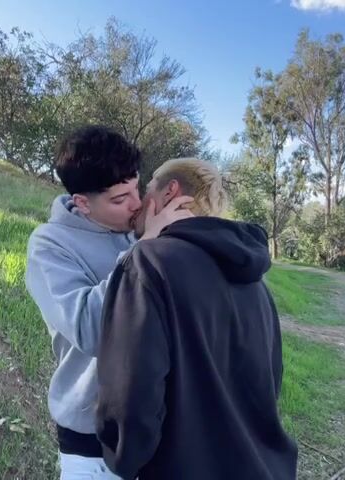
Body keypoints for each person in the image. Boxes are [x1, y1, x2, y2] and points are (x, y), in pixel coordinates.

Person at [96, 157, 299, 480]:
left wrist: (125, 458)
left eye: (148, 188)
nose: (139, 203)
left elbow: (132, 394)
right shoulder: (258, 284)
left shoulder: (149, 262)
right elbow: (269, 383)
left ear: (170, 191)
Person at [24, 125, 191, 479]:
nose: (137, 204)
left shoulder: (139, 231)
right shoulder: (49, 245)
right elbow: (89, 329)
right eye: (119, 199)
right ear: (82, 203)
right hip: (91, 438)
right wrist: (144, 250)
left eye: (136, 188)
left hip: (154, 430)